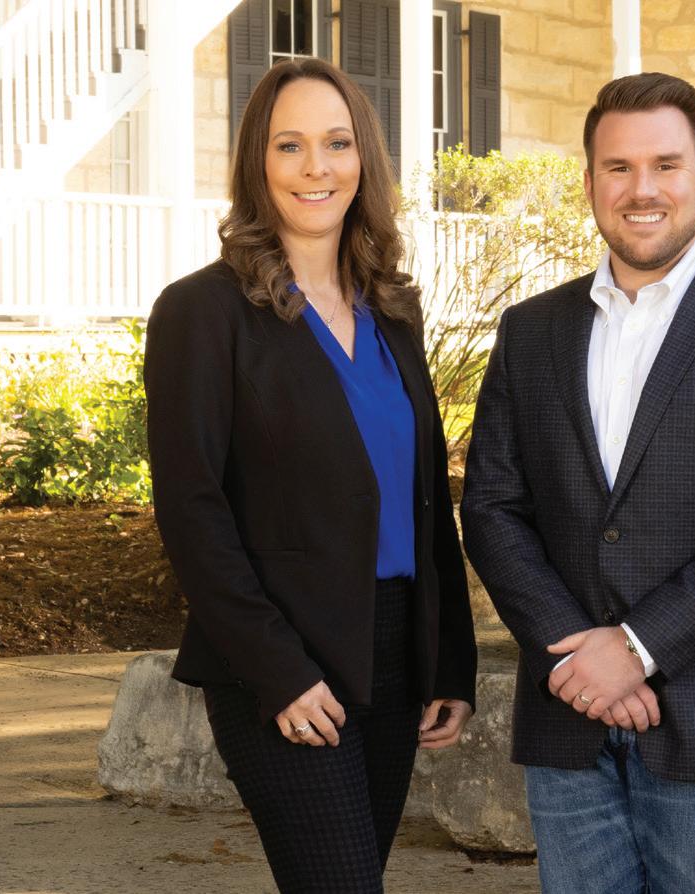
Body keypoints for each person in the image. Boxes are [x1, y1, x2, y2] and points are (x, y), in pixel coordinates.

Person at [460, 72, 695, 894]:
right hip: (566, 715)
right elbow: (491, 507)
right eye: (618, 167)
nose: (642, 190)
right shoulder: (530, 331)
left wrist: (634, 650)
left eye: (665, 165)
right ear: (590, 181)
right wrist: (575, 652)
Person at [144, 58, 476, 894]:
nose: (316, 167)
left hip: (396, 655)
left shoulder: (392, 309)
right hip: (283, 657)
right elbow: (191, 510)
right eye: (289, 145)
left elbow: (425, 498)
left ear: (364, 158)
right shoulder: (203, 312)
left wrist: (449, 662)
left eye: (336, 143)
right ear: (257, 163)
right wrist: (279, 671)